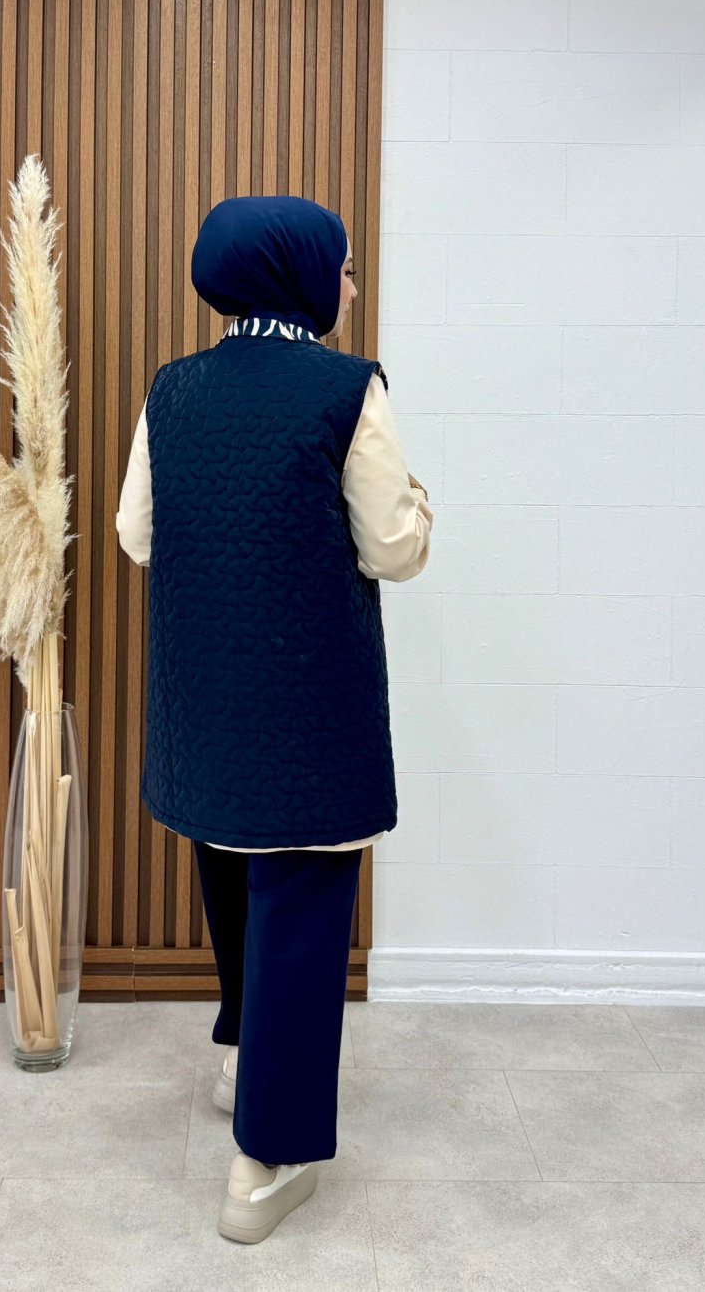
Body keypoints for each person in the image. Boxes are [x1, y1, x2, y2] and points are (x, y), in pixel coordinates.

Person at [116, 194, 433, 1243]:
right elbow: (392, 547)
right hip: (309, 704)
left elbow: (136, 534)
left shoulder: (173, 388)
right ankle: (266, 1162)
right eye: (344, 268)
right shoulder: (348, 387)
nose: (353, 287)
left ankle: (241, 1060)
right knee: (301, 900)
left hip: (205, 694)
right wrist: (421, 501)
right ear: (298, 274)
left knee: (232, 864)